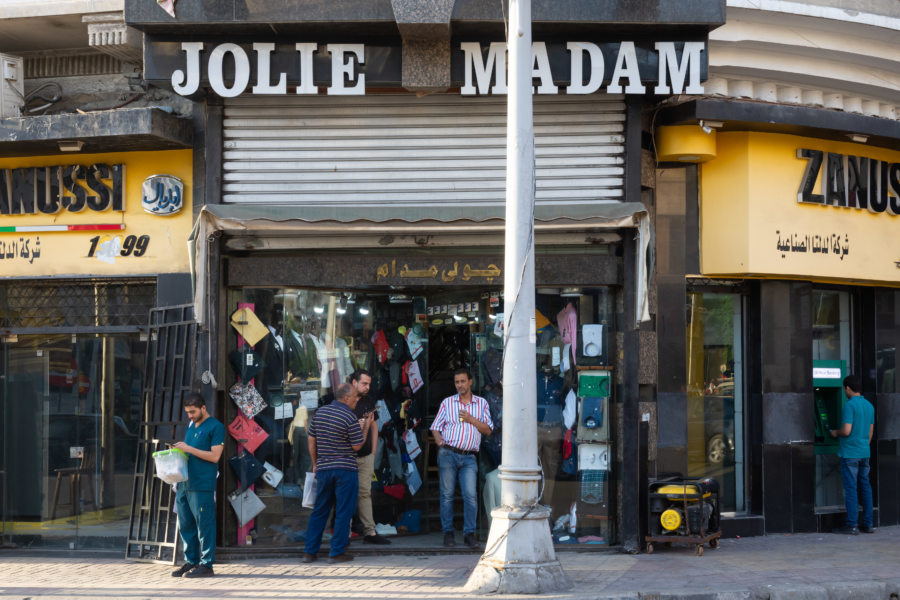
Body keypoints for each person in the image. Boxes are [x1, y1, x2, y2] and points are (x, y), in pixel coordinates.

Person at [302, 382, 372, 563]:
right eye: (355, 396)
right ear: (346, 397)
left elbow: (311, 440)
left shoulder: (320, 413)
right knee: (343, 511)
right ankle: (336, 552)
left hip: (324, 468)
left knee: (319, 511)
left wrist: (316, 463)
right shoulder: (349, 416)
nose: (357, 399)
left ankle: (309, 552)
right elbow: (357, 445)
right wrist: (366, 426)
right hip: (345, 470)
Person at [430, 368, 493, 549]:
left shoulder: (481, 404)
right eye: (457, 382)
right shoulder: (447, 403)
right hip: (448, 453)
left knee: (471, 496)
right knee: (447, 496)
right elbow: (436, 426)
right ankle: (448, 533)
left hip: (469, 457)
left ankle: (469, 534)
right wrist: (438, 439)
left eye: (463, 381)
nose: (460, 385)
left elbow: (488, 430)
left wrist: (471, 419)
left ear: (470, 382)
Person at [170, 392, 225, 578]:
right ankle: (191, 560)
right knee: (185, 525)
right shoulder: (191, 425)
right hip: (185, 482)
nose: (190, 416)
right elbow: (190, 452)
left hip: (202, 484)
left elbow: (215, 456)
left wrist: (188, 448)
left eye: (193, 411)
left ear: (203, 407)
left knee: (204, 524)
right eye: (187, 412)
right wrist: (178, 451)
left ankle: (207, 564)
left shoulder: (216, 427)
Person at [830, 374, 875, 535]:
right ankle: (868, 524)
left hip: (850, 453)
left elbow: (846, 430)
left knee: (851, 488)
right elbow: (870, 432)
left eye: (844, 389)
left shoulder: (850, 405)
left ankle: (852, 525)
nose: (844, 391)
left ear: (847, 388)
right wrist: (863, 446)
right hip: (864, 452)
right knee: (865, 487)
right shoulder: (869, 406)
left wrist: (835, 432)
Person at [350, 369, 391, 545]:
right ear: (354, 382)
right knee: (346, 494)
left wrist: (373, 452)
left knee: (365, 493)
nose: (368, 387)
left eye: (369, 384)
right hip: (347, 456)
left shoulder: (368, 400)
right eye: (364, 383)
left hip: (365, 455)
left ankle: (370, 531)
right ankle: (345, 532)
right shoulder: (343, 400)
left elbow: (374, 426)